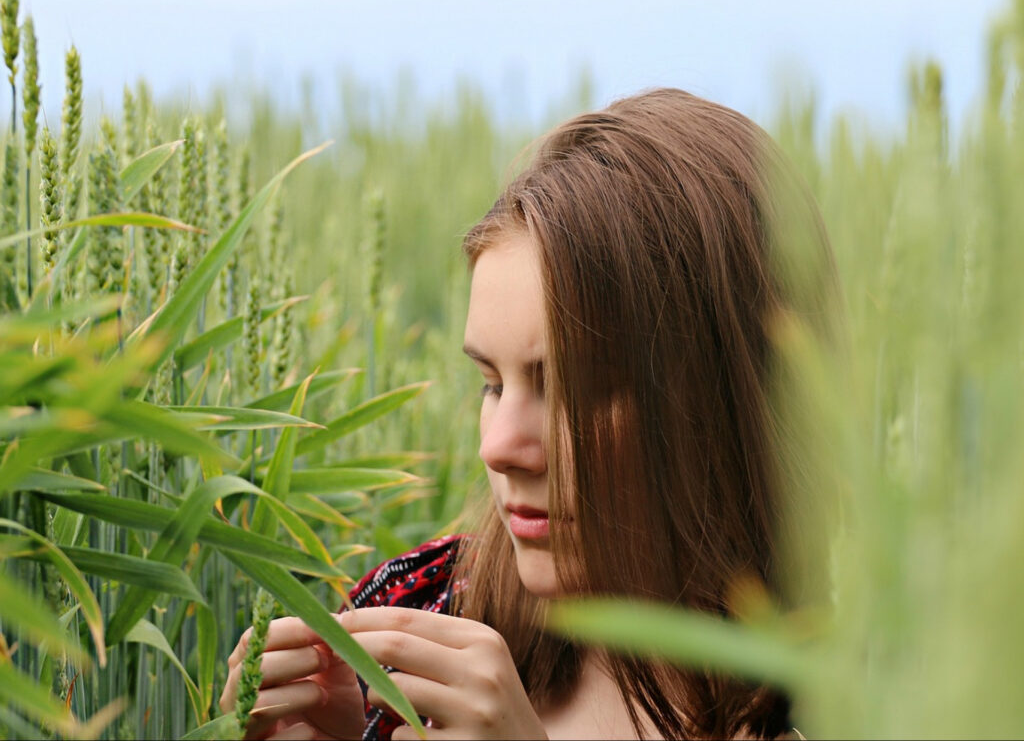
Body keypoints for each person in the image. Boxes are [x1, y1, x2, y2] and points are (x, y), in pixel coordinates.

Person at [219, 87, 839, 740]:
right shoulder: (414, 618)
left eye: (571, 389)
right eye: (491, 383)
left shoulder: (876, 698)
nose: (500, 447)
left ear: (713, 398)